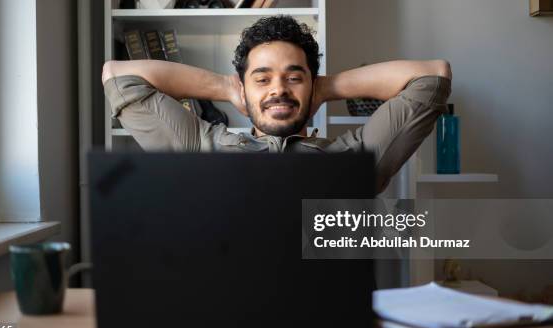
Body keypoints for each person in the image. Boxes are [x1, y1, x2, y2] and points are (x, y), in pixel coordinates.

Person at [102, 16, 452, 194]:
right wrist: (226, 87)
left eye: (294, 77)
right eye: (263, 78)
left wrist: (326, 87)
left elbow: (432, 77)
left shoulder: (355, 160)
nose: (279, 90)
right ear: (244, 87)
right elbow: (119, 76)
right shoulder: (199, 146)